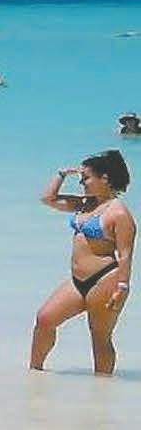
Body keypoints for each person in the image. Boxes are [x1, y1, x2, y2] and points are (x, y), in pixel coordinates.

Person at [30, 151, 133, 375]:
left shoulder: (119, 213)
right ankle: (34, 375)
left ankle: (102, 387)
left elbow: (125, 254)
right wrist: (61, 174)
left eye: (86, 178)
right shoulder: (85, 204)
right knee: (45, 319)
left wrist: (122, 287)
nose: (81, 183)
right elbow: (48, 199)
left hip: (105, 280)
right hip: (77, 281)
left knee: (99, 338)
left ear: (105, 178)